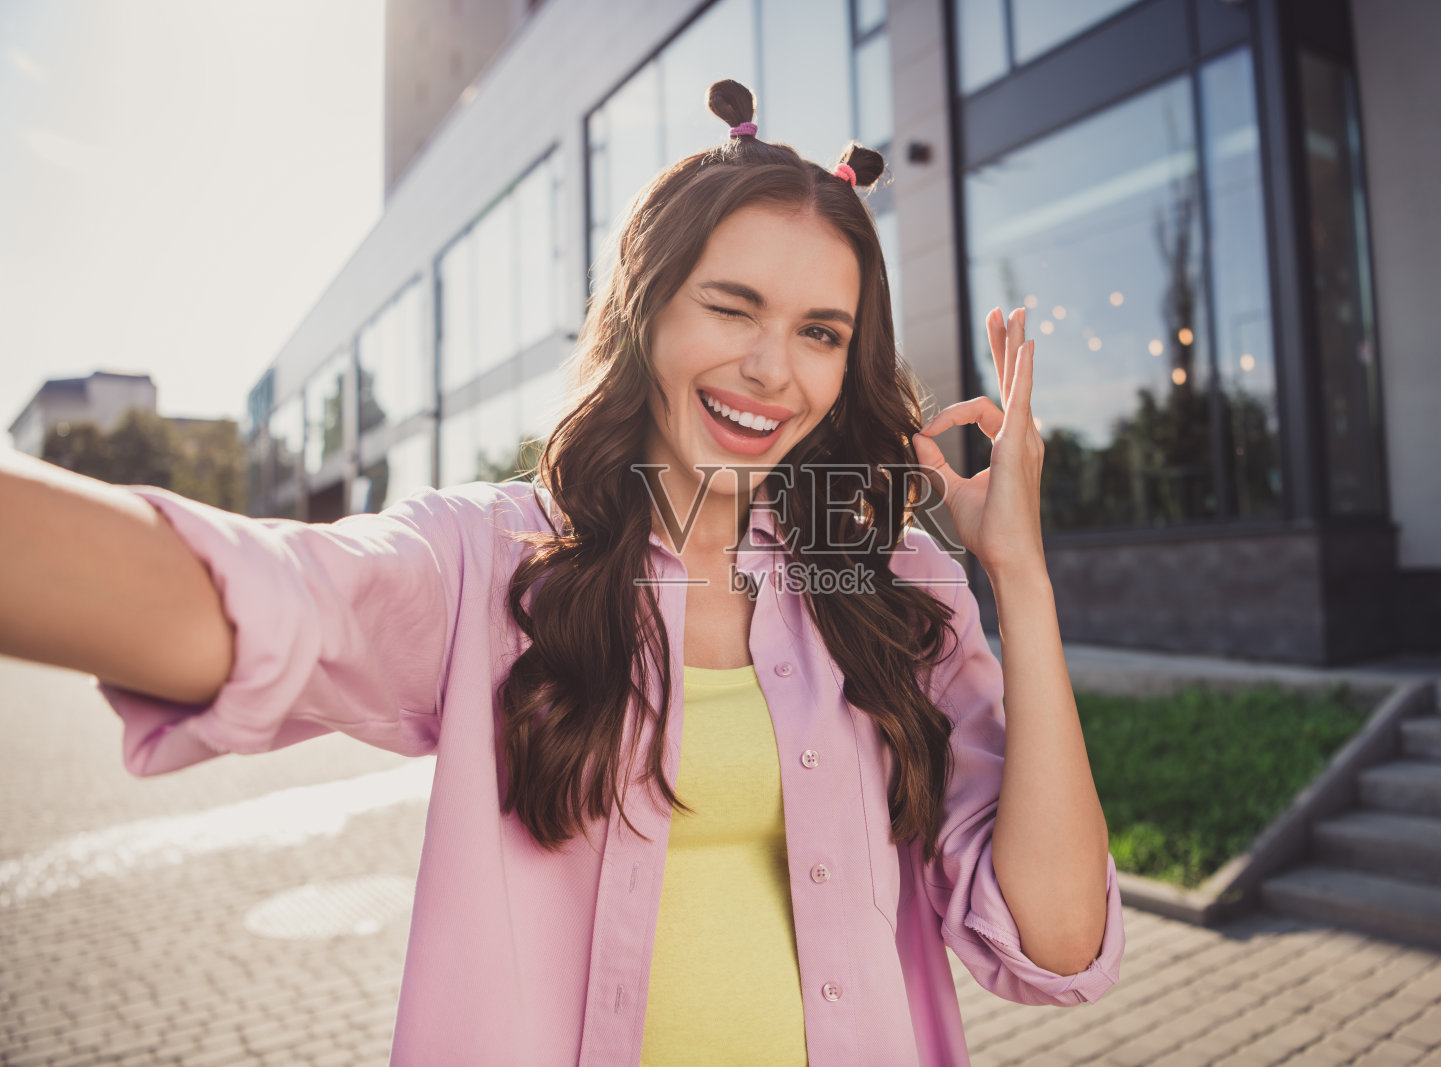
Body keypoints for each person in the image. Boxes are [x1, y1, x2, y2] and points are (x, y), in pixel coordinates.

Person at [0, 78, 1124, 1065]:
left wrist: (1018, 580)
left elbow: (1058, 940)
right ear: (644, 314)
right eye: (730, 307)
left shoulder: (888, 583)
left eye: (821, 332)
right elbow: (246, 595)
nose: (772, 369)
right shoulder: (495, 560)